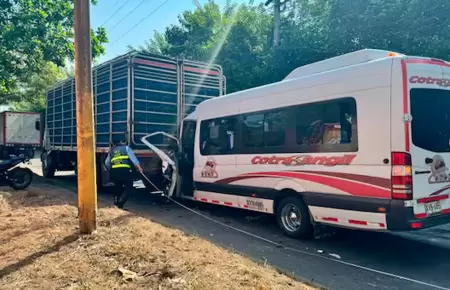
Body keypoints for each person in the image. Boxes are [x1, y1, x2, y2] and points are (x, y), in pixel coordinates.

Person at [105, 138, 143, 209]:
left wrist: (111, 169)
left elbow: (107, 163)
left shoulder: (111, 151)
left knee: (117, 187)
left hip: (115, 172)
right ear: (122, 142)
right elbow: (134, 159)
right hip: (125, 171)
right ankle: (120, 203)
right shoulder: (126, 148)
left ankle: (116, 204)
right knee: (128, 188)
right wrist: (139, 168)